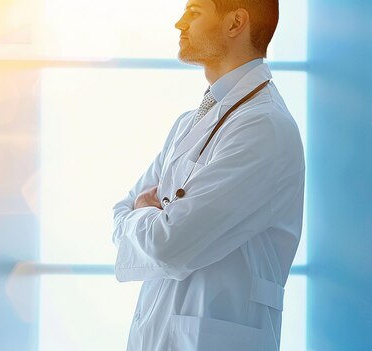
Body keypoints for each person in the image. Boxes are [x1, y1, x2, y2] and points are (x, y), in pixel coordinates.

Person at [111, 0, 304, 350]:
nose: (179, 23)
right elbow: (119, 216)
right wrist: (146, 219)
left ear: (236, 23)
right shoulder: (189, 122)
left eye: (194, 12)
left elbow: (170, 246)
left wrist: (142, 213)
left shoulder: (262, 126)